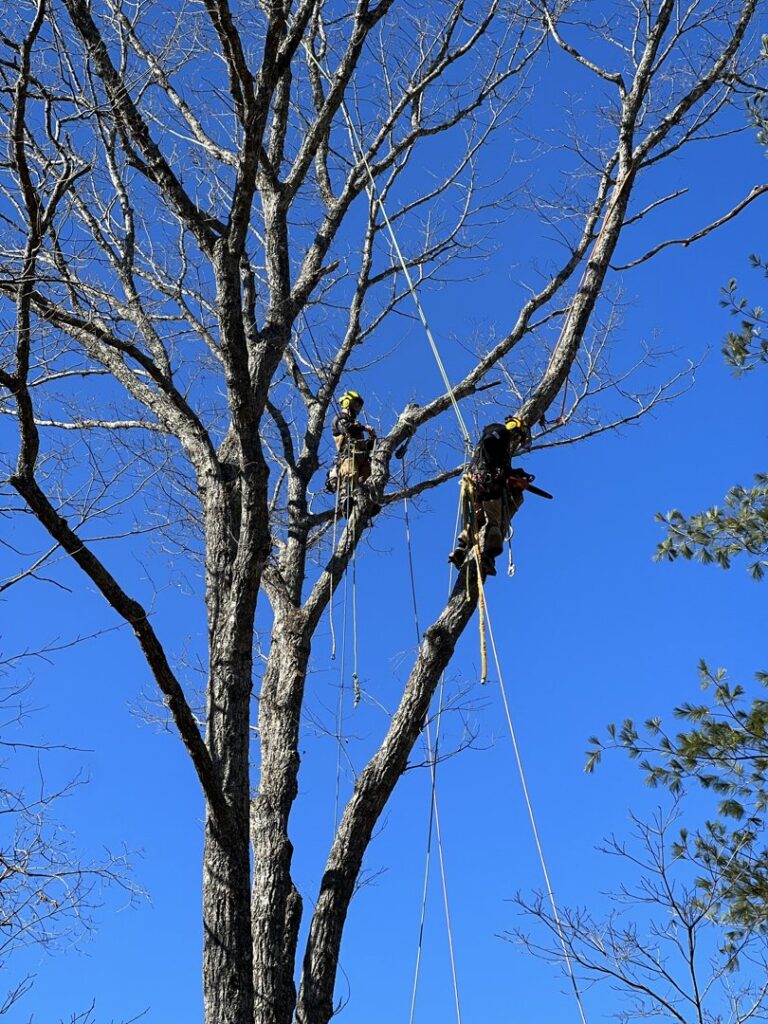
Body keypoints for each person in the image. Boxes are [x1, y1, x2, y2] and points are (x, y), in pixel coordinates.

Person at [448, 415, 533, 576]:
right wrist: (503, 472)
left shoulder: (495, 443)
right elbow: (490, 444)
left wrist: (513, 472)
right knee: (495, 522)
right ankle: (488, 557)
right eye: (517, 436)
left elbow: (492, 456)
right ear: (514, 429)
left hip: (476, 485)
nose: (516, 440)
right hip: (489, 485)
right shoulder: (500, 433)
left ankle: (461, 549)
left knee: (477, 520)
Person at [328, 390, 376, 514]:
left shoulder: (357, 425)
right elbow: (347, 428)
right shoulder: (340, 418)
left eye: (358, 407)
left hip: (362, 457)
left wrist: (371, 439)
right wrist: (365, 428)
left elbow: (365, 446)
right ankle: (345, 501)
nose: (357, 409)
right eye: (355, 405)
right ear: (347, 402)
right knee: (351, 473)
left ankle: (368, 503)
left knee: (369, 476)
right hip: (349, 455)